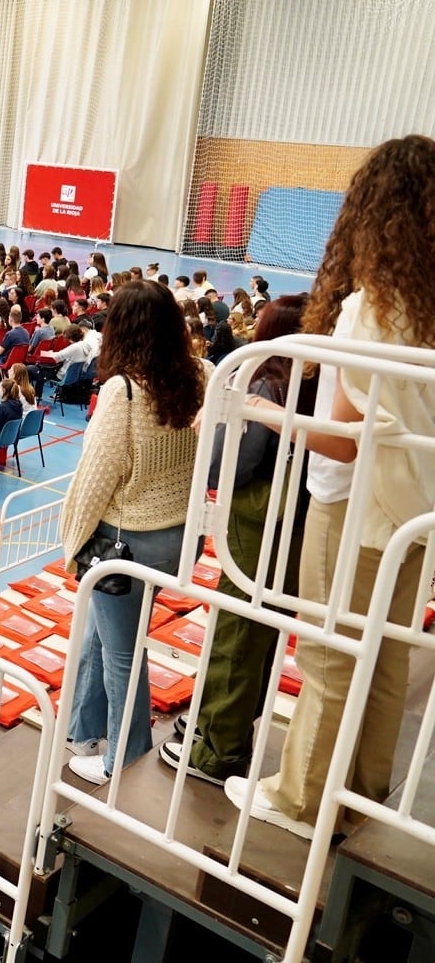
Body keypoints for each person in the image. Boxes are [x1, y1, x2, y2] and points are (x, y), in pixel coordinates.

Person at [229, 136, 435, 839]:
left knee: (328, 651)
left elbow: (340, 438)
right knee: (385, 652)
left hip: (353, 504)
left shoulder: (369, 310)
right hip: (416, 515)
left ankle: (301, 798)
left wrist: (261, 411)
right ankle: (363, 795)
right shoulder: (429, 310)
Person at [161, 295, 313, 785]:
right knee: (263, 635)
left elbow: (230, 466)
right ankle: (221, 725)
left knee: (236, 636)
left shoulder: (265, 384)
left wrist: (217, 426)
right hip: (294, 529)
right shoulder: (315, 387)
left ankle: (217, 751)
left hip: (257, 525)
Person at [59, 280, 204, 785]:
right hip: (180, 534)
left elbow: (96, 479)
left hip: (126, 542)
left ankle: (122, 756)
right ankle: (83, 729)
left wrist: (72, 545)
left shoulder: (123, 392)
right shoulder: (200, 377)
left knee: (123, 652)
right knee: (104, 633)